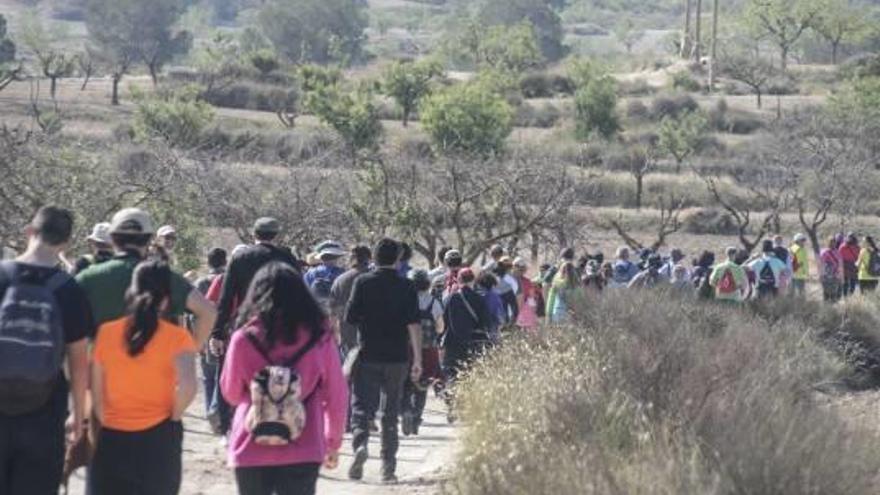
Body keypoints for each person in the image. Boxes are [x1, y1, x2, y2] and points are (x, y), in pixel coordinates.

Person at [220, 262, 347, 495]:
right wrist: (333, 442)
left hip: (251, 443)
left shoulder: (243, 337)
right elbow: (336, 394)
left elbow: (231, 393)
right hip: (305, 443)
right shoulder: (320, 336)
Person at [0, 206, 91, 495]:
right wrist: (77, 414)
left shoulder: (2, 276)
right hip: (44, 415)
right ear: (66, 243)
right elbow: (78, 360)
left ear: (29, 231)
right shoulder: (69, 289)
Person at [90, 261, 198, 495]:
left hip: (111, 436)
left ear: (130, 294)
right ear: (167, 300)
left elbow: (97, 393)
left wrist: (104, 419)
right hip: (158, 438)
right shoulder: (178, 337)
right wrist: (173, 417)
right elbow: (188, 386)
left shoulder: (106, 333)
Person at [344, 238, 422, 483]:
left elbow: (351, 316)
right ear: (398, 259)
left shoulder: (362, 282)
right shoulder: (407, 286)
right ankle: (388, 468)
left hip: (368, 354)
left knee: (361, 405)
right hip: (397, 357)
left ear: (374, 258)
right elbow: (414, 324)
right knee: (390, 413)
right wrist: (417, 359)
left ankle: (360, 443)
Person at [76, 209, 216, 343]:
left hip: (100, 363)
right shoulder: (164, 277)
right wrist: (191, 348)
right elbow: (208, 312)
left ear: (113, 238)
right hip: (155, 365)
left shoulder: (86, 278)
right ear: (149, 239)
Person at [209, 217, 299, 357]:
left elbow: (226, 298)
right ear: (276, 235)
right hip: (281, 329)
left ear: (254, 234)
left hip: (248, 326)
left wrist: (217, 333)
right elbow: (298, 296)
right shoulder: (287, 258)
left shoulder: (240, 258)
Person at [441, 268, 492, 422]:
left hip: (452, 342)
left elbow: (443, 322)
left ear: (459, 280)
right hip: (472, 342)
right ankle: (463, 408)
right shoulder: (479, 299)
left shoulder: (450, 298)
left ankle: (451, 406)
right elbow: (485, 323)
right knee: (468, 374)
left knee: (451, 375)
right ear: (472, 281)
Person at [401, 269, 444, 437]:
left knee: (406, 383)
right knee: (423, 385)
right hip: (428, 349)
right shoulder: (433, 302)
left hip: (407, 348)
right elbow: (440, 327)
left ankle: (406, 410)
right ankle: (416, 419)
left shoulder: (404, 301)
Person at [193, 248, 228, 432]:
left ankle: (210, 411)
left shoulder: (201, 283)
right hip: (223, 333)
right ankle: (217, 411)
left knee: (208, 377)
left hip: (205, 334)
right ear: (225, 261)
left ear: (208, 262)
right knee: (220, 374)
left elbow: (193, 315)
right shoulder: (228, 280)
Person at [329, 245, 373, 354]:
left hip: (347, 333)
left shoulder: (340, 280)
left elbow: (333, 311)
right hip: (372, 335)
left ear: (351, 259)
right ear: (369, 259)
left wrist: (336, 333)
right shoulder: (374, 279)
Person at [304, 240, 347, 310]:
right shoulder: (342, 273)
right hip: (338, 311)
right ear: (337, 257)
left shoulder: (309, 274)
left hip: (316, 312)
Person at [545, 248, 582, 324]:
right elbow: (579, 300)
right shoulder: (577, 284)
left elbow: (550, 299)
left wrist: (548, 315)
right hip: (571, 315)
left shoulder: (556, 282)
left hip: (557, 313)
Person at [512, 257, 539, 331]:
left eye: (522, 269)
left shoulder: (527, 282)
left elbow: (531, 298)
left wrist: (533, 313)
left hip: (522, 314)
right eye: (518, 268)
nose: (520, 271)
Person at [475, 272, 504, 341]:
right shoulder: (495, 296)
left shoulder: (478, 295)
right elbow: (498, 312)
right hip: (493, 325)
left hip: (482, 326)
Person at [820, 236, 844, 302]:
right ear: (828, 242)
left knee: (833, 294)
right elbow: (821, 264)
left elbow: (840, 265)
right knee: (826, 294)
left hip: (834, 276)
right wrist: (821, 275)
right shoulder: (824, 252)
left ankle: (832, 309)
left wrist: (841, 276)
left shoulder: (837, 252)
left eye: (834, 242)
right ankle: (827, 309)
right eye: (831, 242)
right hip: (826, 276)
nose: (833, 244)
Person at [839, 233, 860, 297]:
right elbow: (839, 257)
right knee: (846, 282)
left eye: (851, 237)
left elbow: (860, 256)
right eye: (849, 237)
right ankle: (846, 297)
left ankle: (849, 296)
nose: (850, 239)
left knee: (852, 282)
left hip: (852, 265)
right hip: (846, 265)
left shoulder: (857, 247)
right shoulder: (843, 246)